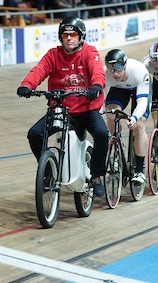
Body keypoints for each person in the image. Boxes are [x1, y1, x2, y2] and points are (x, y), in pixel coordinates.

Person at [16, 17, 108, 197]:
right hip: (61, 110)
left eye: (73, 34)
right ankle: (48, 171)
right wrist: (27, 85)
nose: (68, 38)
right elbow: (39, 70)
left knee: (102, 133)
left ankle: (96, 176)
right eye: (65, 35)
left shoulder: (89, 52)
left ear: (81, 36)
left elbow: (97, 70)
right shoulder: (53, 54)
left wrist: (96, 85)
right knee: (34, 133)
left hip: (87, 110)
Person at [104, 49, 150, 184]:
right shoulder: (106, 74)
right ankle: (116, 144)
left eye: (118, 70)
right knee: (110, 114)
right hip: (119, 89)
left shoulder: (139, 71)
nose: (115, 74)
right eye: (112, 71)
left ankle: (140, 170)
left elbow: (142, 102)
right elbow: (100, 98)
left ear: (125, 66)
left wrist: (134, 117)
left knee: (139, 126)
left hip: (139, 89)